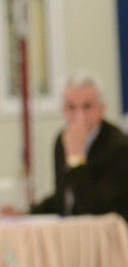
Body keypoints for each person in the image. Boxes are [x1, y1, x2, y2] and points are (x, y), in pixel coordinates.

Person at [26, 73, 128, 221]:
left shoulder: (119, 147)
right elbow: (64, 197)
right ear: (63, 110)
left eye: (87, 107)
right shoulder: (62, 140)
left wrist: (76, 156)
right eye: (71, 107)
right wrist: (26, 213)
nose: (79, 115)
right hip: (72, 232)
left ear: (101, 108)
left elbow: (95, 210)